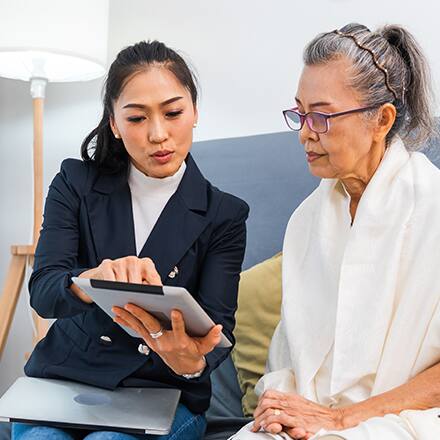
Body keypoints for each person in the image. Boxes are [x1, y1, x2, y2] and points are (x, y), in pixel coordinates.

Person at [13, 40, 249, 440]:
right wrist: (91, 281)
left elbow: (216, 332)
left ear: (194, 112)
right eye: (137, 118)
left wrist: (188, 361)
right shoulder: (75, 183)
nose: (159, 135)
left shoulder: (224, 214)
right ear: (114, 124)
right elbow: (44, 291)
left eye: (173, 112)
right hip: (65, 383)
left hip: (162, 394)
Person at [232, 23, 440, 440]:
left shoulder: (433, 210)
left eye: (322, 116)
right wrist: (281, 403)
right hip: (312, 418)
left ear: (381, 120)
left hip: (406, 419)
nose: (306, 132)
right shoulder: (307, 221)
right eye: (300, 113)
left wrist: (344, 419)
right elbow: (289, 357)